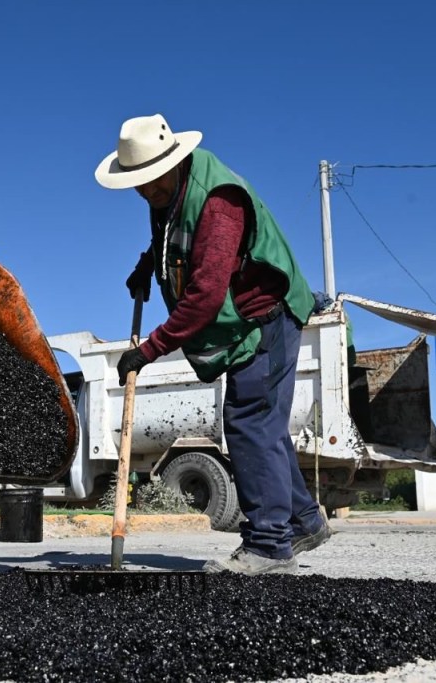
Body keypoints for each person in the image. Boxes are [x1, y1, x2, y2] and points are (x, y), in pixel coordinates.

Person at [94, 113, 331, 575]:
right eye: (138, 185)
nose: (146, 192)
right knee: (264, 426)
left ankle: (268, 545)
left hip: (268, 315)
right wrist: (147, 265)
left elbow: (204, 298)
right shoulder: (165, 189)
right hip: (246, 317)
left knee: (248, 422)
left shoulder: (218, 201)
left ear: (175, 162)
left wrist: (149, 350)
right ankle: (302, 521)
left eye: (150, 182)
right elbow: (166, 234)